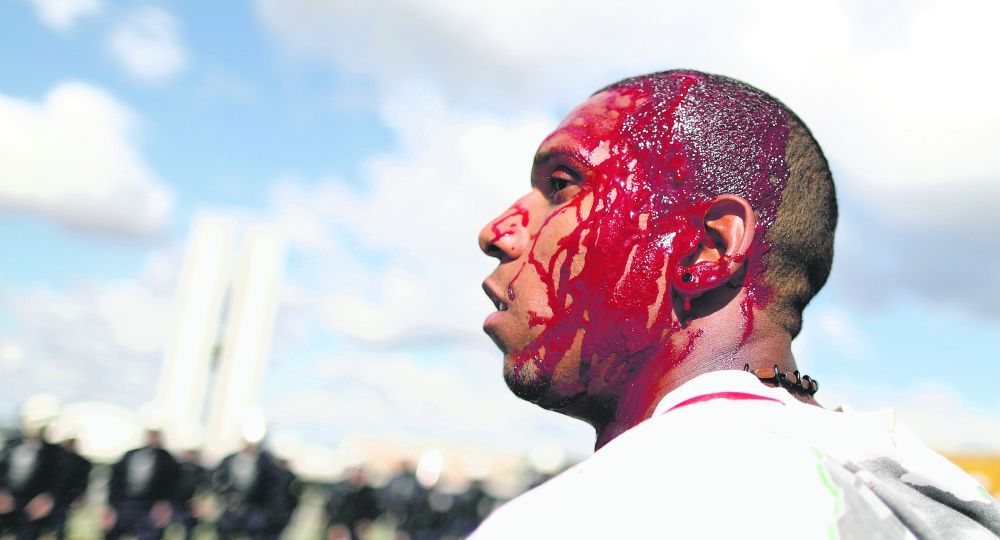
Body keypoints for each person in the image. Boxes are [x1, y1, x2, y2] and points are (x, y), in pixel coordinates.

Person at [472, 69, 1000, 538]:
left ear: (708, 250)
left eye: (560, 185)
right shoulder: (945, 499)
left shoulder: (590, 519)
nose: (495, 232)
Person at [0, 396, 65, 540]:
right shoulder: (11, 444)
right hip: (6, 500)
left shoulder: (54, 452)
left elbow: (57, 481)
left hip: (32, 506)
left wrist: (47, 498)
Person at [104, 427, 179, 540]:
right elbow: (115, 480)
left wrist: (164, 503)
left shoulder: (167, 458)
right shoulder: (131, 454)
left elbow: (172, 484)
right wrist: (111, 505)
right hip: (125, 503)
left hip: (151, 505)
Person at [212, 436, 282, 539]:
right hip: (232, 506)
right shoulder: (229, 460)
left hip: (256, 507)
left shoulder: (266, 463)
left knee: (257, 531)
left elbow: (273, 487)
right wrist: (225, 497)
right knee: (224, 528)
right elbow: (219, 480)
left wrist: (268, 509)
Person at [54, 436, 91, 540]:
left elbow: (82, 482)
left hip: (67, 496)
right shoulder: (55, 457)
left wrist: (78, 496)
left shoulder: (81, 462)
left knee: (61, 523)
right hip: (53, 495)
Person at [171, 449, 207, 540]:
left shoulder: (201, 470)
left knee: (190, 524)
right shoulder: (177, 468)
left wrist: (198, 499)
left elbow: (204, 485)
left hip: (193, 502)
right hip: (177, 500)